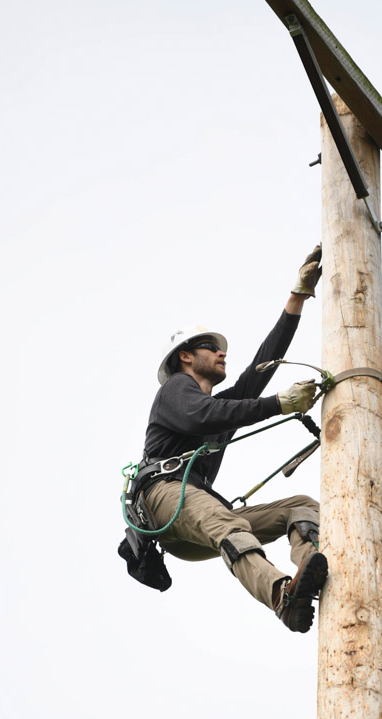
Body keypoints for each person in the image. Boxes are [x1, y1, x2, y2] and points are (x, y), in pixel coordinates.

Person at [136, 246, 328, 633]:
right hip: (165, 497)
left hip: (194, 520)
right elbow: (202, 416)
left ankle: (312, 568)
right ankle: (282, 597)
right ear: (186, 357)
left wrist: (297, 297)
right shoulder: (177, 390)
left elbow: (260, 369)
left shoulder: (218, 405)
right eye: (212, 347)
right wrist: (278, 404)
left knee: (301, 506)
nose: (222, 352)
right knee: (229, 525)